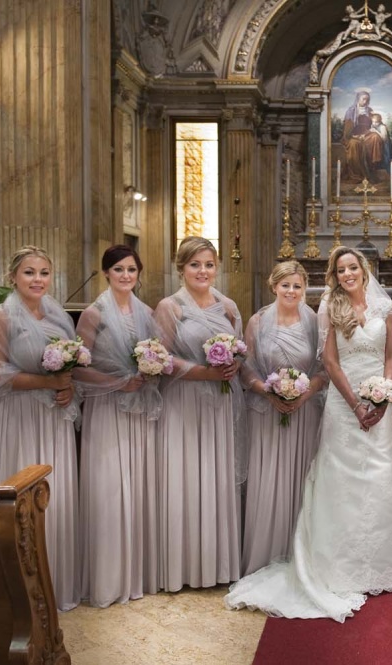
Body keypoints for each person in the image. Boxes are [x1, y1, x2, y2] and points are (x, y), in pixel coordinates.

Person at [225, 247, 392, 623]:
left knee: (381, 477)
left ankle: (378, 562)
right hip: (344, 408)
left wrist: (384, 393)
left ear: (363, 269)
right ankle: (337, 563)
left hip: (380, 404)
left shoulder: (386, 309)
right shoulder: (330, 306)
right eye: (340, 269)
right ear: (334, 274)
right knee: (340, 481)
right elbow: (329, 362)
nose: (347, 274)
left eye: (352, 268)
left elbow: (391, 356)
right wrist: (356, 404)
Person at [0, 245, 80, 611]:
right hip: (17, 418)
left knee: (54, 495)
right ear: (12, 277)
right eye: (29, 272)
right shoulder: (0, 317)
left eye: (44, 272)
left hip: (53, 418)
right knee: (21, 495)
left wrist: (68, 388)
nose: (38, 279)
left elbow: (70, 366)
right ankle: (17, 591)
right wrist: (48, 384)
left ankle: (56, 582)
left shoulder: (59, 318)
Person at [154, 236, 245, 591]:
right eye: (195, 265)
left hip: (220, 403)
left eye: (208, 264)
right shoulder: (170, 307)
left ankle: (218, 565)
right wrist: (203, 371)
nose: (202, 271)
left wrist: (234, 363)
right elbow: (160, 358)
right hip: (184, 402)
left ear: (216, 267)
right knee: (187, 476)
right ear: (181, 269)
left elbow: (239, 348)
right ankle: (184, 567)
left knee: (216, 475)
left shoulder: (228, 306)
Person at [74, 245, 160, 607]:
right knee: (109, 487)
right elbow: (77, 367)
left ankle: (135, 574)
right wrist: (117, 382)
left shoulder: (148, 312)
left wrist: (150, 371)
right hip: (106, 411)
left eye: (131, 270)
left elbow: (158, 355)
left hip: (138, 411)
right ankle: (107, 579)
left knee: (138, 485)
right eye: (119, 269)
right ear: (106, 273)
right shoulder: (93, 314)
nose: (126, 276)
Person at [239, 261, 327, 576]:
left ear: (305, 289)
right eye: (285, 285)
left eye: (297, 286)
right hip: (265, 412)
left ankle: (298, 554)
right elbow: (244, 365)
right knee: (267, 478)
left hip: (305, 413)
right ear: (273, 286)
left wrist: (302, 394)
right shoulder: (257, 321)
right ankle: (265, 553)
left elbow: (322, 368)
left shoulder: (315, 321)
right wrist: (267, 390)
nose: (291, 291)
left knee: (301, 479)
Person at [341, 90, 387, 182]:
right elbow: (347, 129)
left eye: (367, 99)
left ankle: (372, 168)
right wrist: (355, 136)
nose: (365, 101)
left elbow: (375, 123)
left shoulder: (369, 110)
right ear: (358, 99)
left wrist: (380, 127)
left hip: (366, 134)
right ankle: (357, 174)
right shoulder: (351, 111)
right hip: (353, 135)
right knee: (354, 145)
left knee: (375, 137)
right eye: (363, 99)